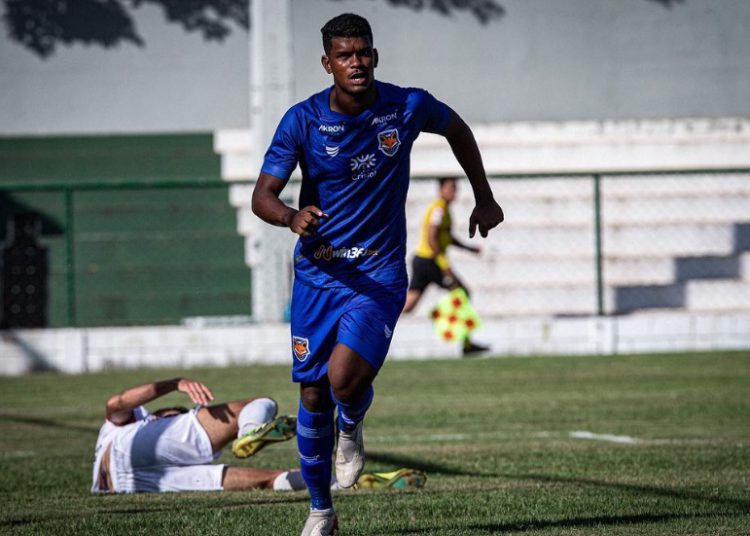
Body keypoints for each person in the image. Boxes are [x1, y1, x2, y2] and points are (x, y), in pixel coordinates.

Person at [251, 13, 504, 535]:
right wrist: (291, 217)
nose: (356, 63)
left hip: (379, 272)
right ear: (328, 64)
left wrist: (484, 195)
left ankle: (352, 420)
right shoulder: (301, 121)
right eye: (345, 55)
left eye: (363, 52)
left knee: (342, 382)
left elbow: (458, 129)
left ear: (375, 56)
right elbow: (262, 197)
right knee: (312, 394)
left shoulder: (406, 106)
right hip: (319, 278)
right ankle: (321, 511)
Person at [91, 376, 300, 494]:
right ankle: (248, 430)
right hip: (126, 449)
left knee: (270, 480)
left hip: (132, 485)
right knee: (261, 403)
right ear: (158, 416)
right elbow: (115, 403)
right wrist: (175, 383)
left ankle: (328, 482)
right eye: (174, 415)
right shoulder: (125, 426)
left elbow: (114, 404)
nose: (176, 415)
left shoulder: (118, 430)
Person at [403, 176, 489, 355]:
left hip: (422, 260)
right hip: (430, 262)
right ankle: (459, 336)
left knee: (409, 306)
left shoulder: (444, 210)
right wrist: (443, 265)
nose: (454, 192)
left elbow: (447, 237)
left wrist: (468, 248)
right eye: (451, 188)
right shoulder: (439, 209)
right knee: (462, 292)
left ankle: (375, 315)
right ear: (441, 190)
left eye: (456, 188)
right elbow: (432, 238)